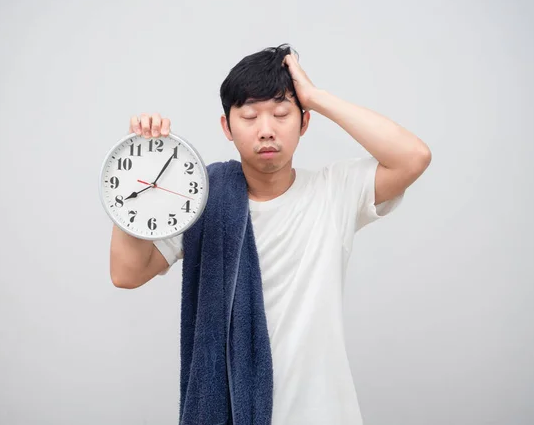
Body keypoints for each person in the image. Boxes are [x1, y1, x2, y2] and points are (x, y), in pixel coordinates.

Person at [109, 44, 431, 424]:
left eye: (281, 114)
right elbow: (126, 274)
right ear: (227, 127)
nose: (266, 130)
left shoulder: (334, 192)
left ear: (304, 122)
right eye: (249, 116)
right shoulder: (199, 199)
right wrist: (133, 173)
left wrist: (317, 97)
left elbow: (414, 157)